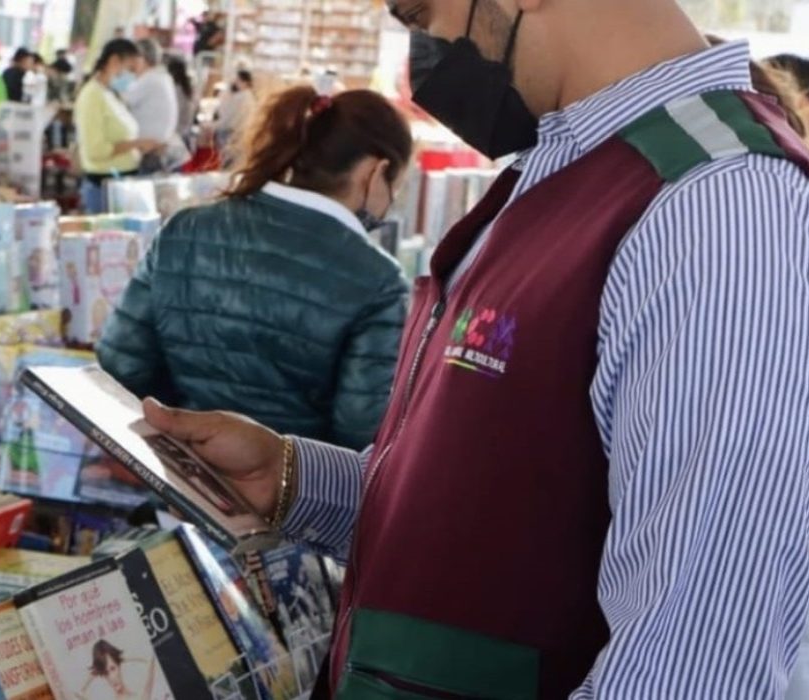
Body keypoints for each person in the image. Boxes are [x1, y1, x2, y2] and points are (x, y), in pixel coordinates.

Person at [142, 0, 809, 697]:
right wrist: (293, 478)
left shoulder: (720, 204)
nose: (425, 55)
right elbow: (511, 507)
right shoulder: (566, 175)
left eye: (422, 14)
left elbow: (699, 659)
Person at [98, 86, 411, 449]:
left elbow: (120, 364)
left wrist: (189, 427)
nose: (391, 202)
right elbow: (363, 431)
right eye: (395, 187)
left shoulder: (186, 229)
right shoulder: (379, 280)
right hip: (293, 499)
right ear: (376, 172)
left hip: (177, 486)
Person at [73, 39, 162, 214]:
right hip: (104, 188)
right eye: (130, 69)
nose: (132, 77)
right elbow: (95, 150)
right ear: (114, 61)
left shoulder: (110, 94)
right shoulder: (92, 96)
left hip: (124, 183)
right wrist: (136, 144)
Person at [123, 39, 179, 173]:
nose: (128, 65)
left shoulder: (150, 80)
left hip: (149, 151)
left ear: (141, 59)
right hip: (156, 150)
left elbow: (121, 105)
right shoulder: (161, 77)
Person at [212, 69, 256, 152]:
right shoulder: (246, 97)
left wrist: (216, 126)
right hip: (237, 134)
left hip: (232, 133)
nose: (235, 83)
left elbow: (230, 118)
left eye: (238, 80)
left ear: (245, 82)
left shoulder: (242, 98)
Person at [166, 55, 197, 144]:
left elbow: (174, 114)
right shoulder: (188, 87)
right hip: (184, 132)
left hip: (176, 135)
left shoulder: (175, 90)